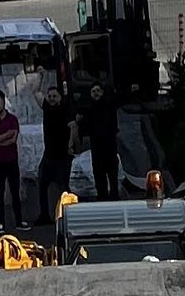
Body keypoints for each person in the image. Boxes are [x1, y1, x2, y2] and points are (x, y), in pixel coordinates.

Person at [80, 69, 122, 199]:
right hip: (97, 147)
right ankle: (102, 196)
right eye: (93, 92)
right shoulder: (88, 109)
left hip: (110, 146)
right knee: (99, 174)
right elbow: (85, 128)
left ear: (102, 92)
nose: (96, 94)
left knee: (112, 174)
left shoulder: (109, 106)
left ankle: (114, 195)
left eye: (98, 91)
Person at [37, 81, 73, 226]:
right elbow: (36, 93)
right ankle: (44, 215)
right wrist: (40, 76)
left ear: (60, 97)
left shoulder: (64, 109)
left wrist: (70, 145)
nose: (51, 98)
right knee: (42, 185)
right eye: (50, 96)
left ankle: (67, 217)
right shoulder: (47, 108)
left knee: (63, 188)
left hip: (62, 155)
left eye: (54, 96)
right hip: (48, 154)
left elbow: (73, 127)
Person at [0, 91, 23, 228]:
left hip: (11, 160)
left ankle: (19, 221)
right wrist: (6, 134)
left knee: (15, 193)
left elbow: (13, 140)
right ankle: (1, 223)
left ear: (3, 102)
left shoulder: (13, 119)